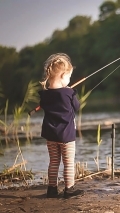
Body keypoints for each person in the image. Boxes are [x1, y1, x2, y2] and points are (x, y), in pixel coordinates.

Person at [38, 53, 83, 199]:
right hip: (67, 136)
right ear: (63, 76)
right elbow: (76, 106)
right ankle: (68, 189)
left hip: (51, 135)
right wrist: (70, 92)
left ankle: (52, 189)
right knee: (68, 163)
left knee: (54, 161)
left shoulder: (44, 94)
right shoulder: (69, 93)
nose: (69, 80)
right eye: (69, 76)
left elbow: (45, 104)